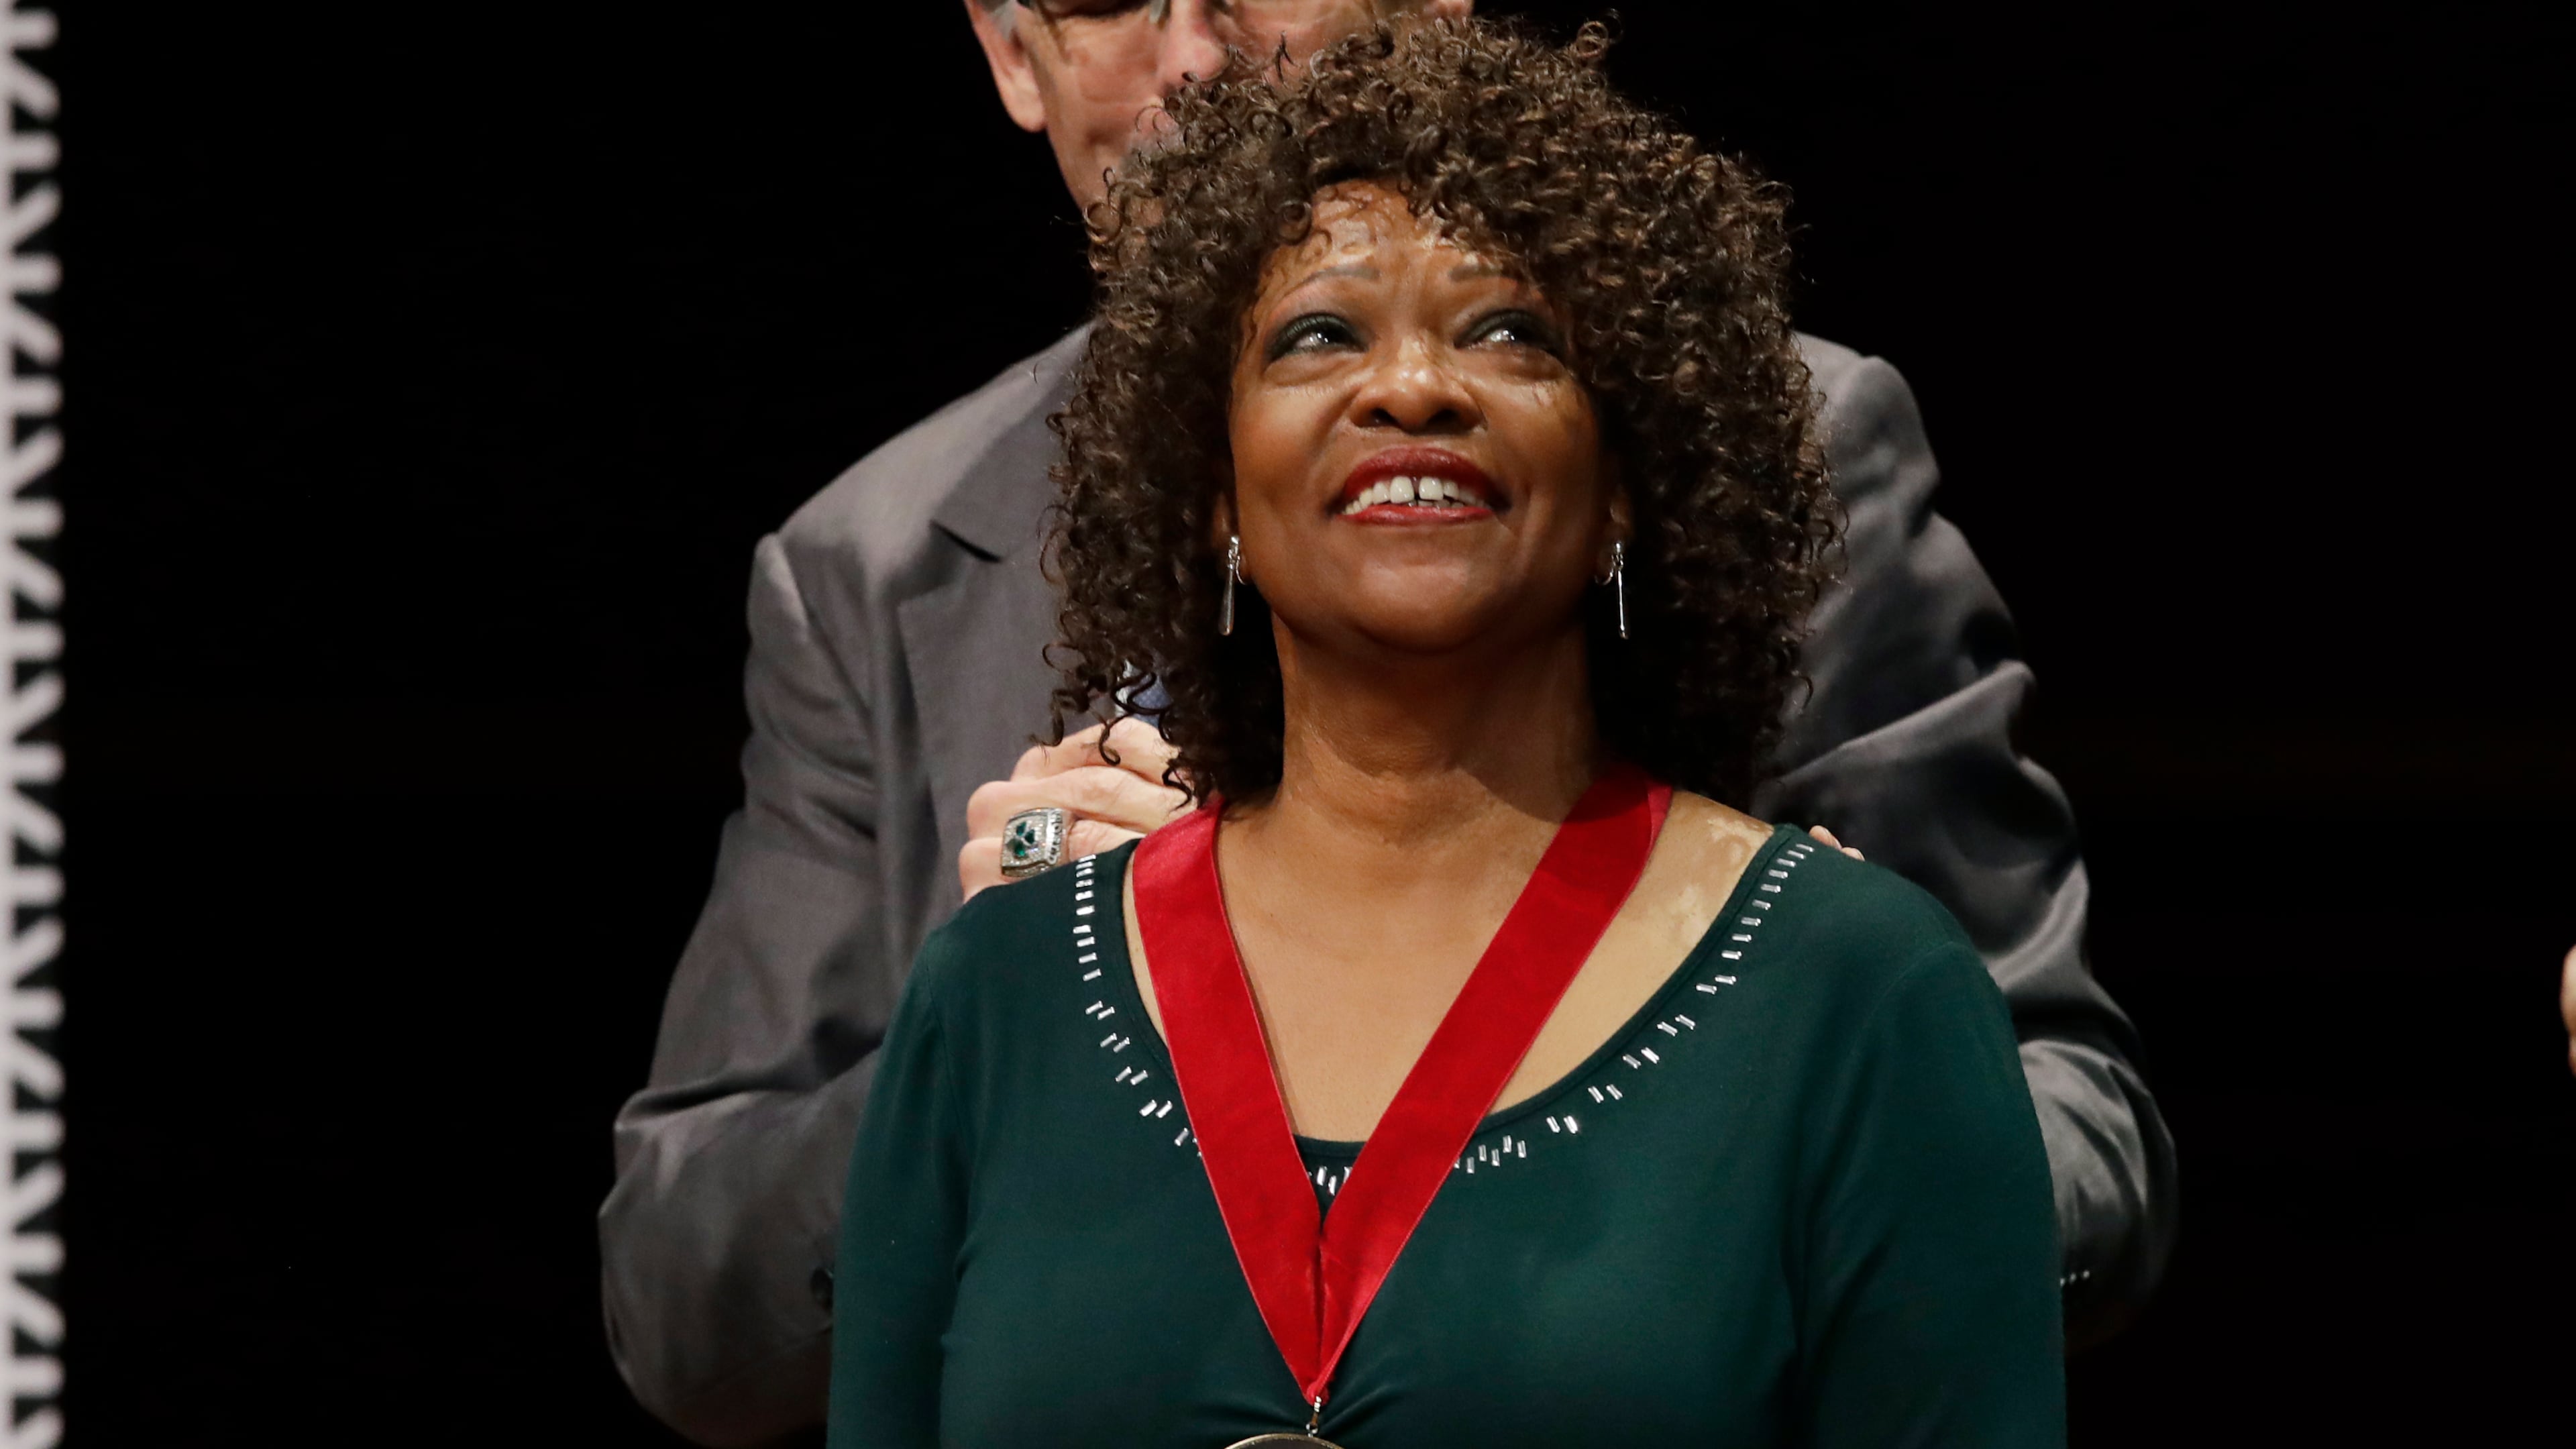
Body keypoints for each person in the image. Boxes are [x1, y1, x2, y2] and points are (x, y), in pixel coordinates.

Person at [600, 1, 2173, 1442]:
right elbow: (684, 1304)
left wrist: (1773, 1092)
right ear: (1011, 57)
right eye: (1101, 4)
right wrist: (994, 1069)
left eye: (1501, 335)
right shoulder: (864, 575)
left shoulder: (1786, 473)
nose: (1192, 58)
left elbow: (2071, 1134)